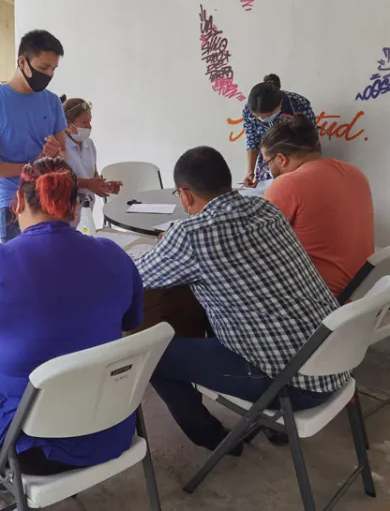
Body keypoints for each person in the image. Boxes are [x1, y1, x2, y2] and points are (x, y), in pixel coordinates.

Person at [0, 157, 143, 475]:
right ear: (75, 209)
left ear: (17, 203)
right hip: (109, 431)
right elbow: (131, 321)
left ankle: (7, 483)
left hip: (26, 447)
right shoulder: (114, 255)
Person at [135, 146, 347, 454]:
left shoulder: (192, 235)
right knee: (203, 307)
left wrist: (166, 248)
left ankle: (216, 440)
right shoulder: (266, 209)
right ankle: (270, 425)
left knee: (153, 357)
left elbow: (134, 278)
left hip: (296, 385)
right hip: (334, 361)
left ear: (185, 195)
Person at [261, 114, 374, 297]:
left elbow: (257, 246)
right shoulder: (355, 173)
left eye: (267, 163)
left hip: (322, 299)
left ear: (281, 159)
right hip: (364, 292)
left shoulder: (288, 184)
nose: (268, 170)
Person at [0, 30, 68, 243]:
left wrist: (55, 155)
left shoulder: (52, 102)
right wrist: (32, 168)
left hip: (52, 198)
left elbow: (64, 155)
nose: (49, 75)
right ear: (22, 62)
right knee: (21, 268)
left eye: (53, 69)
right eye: (43, 68)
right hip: (14, 202)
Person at [242, 74, 315, 187]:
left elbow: (310, 141)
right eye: (258, 117)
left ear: (280, 104)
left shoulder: (298, 104)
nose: (263, 120)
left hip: (297, 159)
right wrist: (251, 172)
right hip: (268, 161)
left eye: (268, 116)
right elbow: (252, 141)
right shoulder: (248, 110)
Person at [61, 96, 121, 217]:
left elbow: (94, 176)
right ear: (67, 124)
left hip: (86, 210)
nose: (89, 126)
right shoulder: (59, 146)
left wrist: (105, 186)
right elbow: (59, 182)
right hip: (65, 211)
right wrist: (88, 184)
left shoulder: (89, 144)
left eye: (90, 121)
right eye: (84, 123)